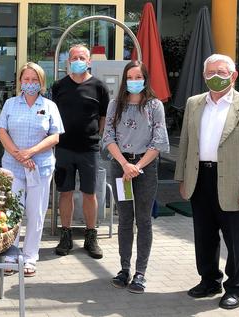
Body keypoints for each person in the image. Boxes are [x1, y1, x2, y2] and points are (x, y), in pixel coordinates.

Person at [175, 54, 239, 309]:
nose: (216, 77)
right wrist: (182, 178)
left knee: (235, 238)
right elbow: (184, 144)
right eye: (210, 73)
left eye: (221, 72)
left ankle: (235, 287)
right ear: (204, 76)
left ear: (234, 75)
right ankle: (209, 280)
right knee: (204, 236)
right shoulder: (194, 104)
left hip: (234, 183)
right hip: (200, 178)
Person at [102, 61, 169, 294]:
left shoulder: (154, 105)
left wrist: (137, 166)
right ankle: (124, 268)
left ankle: (140, 272)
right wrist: (124, 164)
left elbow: (158, 141)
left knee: (144, 219)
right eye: (129, 77)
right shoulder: (115, 105)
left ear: (145, 78)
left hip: (145, 168)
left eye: (138, 76)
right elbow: (108, 138)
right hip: (121, 167)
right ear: (124, 79)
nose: (133, 80)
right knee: (124, 219)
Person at [0, 62, 63, 277]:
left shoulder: (50, 106)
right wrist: (18, 154)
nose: (30, 83)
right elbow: (2, 131)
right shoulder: (10, 104)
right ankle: (10, 254)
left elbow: (55, 136)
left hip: (40, 168)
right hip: (12, 167)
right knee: (11, 213)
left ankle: (30, 256)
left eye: (35, 80)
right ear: (20, 82)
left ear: (41, 83)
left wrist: (30, 152)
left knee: (36, 213)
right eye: (26, 79)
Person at [52, 44, 110, 259]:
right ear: (68, 61)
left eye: (82, 57)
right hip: (64, 149)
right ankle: (65, 235)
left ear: (89, 62)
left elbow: (103, 116)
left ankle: (90, 236)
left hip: (89, 150)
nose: (78, 60)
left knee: (89, 193)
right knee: (65, 192)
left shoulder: (99, 87)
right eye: (74, 57)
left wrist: (97, 135)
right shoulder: (59, 86)